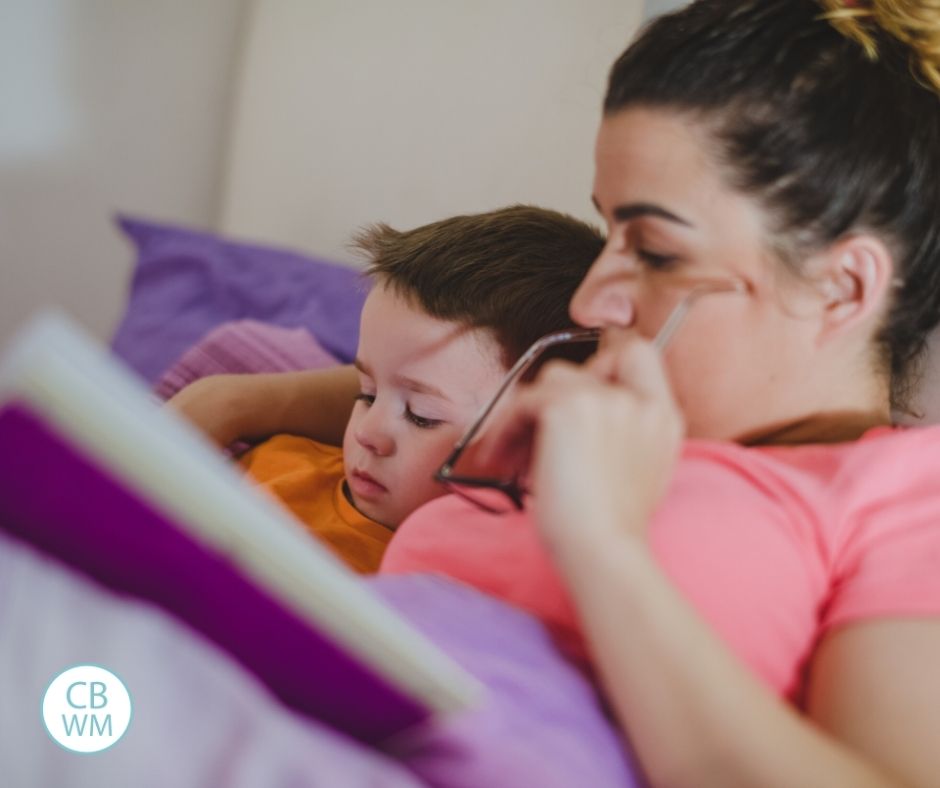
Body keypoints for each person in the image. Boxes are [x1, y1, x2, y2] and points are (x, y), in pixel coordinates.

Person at [177, 1, 940, 785]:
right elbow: (419, 382)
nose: (591, 298)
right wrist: (235, 403)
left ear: (842, 287)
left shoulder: (906, 499)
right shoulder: (601, 398)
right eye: (606, 231)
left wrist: (603, 547)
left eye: (653, 250)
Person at [172, 206, 603, 573]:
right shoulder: (274, 463)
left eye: (421, 414)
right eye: (366, 392)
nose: (365, 433)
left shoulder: (452, 587)